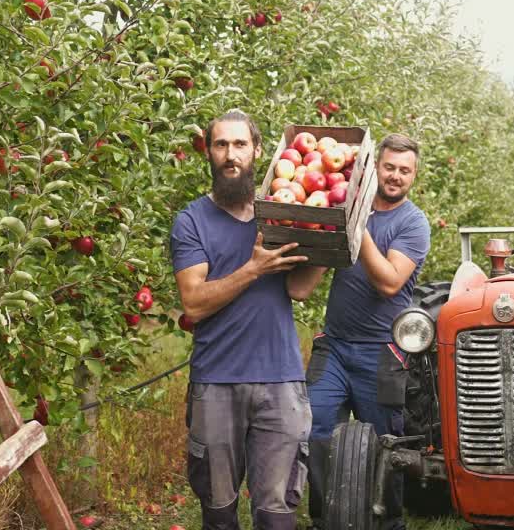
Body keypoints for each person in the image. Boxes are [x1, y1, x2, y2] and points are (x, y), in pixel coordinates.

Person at [171, 109, 328, 530]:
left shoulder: (281, 210)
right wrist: (253, 269)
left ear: (257, 150)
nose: (230, 154)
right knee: (219, 514)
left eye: (240, 144)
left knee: (277, 514)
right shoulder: (192, 221)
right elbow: (194, 303)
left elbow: (298, 289)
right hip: (216, 383)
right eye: (221, 144)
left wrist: (332, 236)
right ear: (208, 152)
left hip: (281, 381)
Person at [305, 133, 431, 530]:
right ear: (375, 167)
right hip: (335, 346)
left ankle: (388, 521)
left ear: (414, 176)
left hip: (383, 351)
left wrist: (357, 225)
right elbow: (313, 271)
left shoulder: (413, 223)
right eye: (389, 167)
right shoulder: (343, 205)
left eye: (404, 170)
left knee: (384, 445)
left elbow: (390, 282)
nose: (395, 176)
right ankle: (328, 518)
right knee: (314, 429)